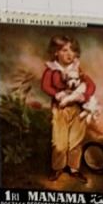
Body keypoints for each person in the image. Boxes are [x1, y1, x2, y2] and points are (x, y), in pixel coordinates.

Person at [41, 33, 98, 187]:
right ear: (56, 52)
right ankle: (57, 168)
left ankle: (73, 168)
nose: (69, 54)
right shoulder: (52, 69)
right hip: (60, 108)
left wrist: (84, 96)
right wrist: (56, 94)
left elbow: (91, 85)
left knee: (75, 140)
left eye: (72, 50)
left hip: (78, 108)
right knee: (59, 142)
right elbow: (45, 86)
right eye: (65, 50)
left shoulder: (78, 68)